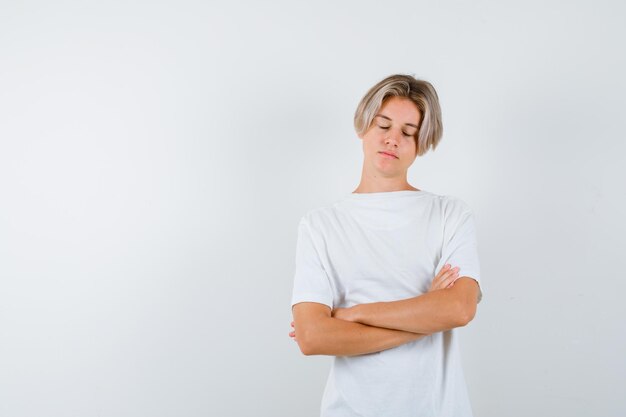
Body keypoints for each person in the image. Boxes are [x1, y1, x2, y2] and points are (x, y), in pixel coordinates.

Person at [288, 74, 483, 417]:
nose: (393, 139)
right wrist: (425, 314)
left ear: (421, 144)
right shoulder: (320, 225)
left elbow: (458, 310)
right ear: (363, 126)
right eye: (384, 125)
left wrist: (352, 316)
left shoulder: (449, 214)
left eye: (408, 133)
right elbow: (312, 336)